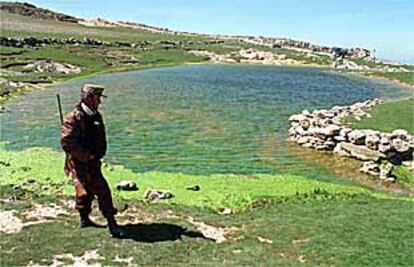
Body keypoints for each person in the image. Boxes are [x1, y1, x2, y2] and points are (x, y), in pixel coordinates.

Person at [61, 83, 125, 238]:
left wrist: (97, 155)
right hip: (80, 163)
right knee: (102, 191)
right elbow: (67, 143)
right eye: (98, 98)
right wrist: (86, 156)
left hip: (93, 161)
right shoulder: (73, 118)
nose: (100, 102)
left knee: (86, 192)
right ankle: (112, 224)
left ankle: (85, 219)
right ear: (89, 98)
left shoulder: (96, 115)